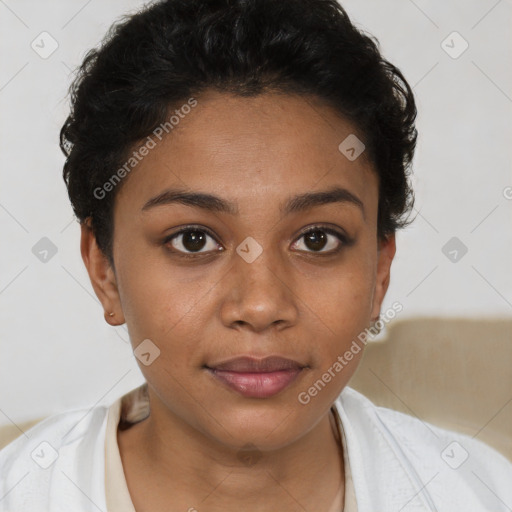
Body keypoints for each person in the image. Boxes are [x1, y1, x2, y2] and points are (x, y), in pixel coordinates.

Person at [1, 0, 511, 510]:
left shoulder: (482, 493)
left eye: (317, 239)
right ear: (104, 269)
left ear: (380, 271)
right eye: (193, 240)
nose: (262, 305)